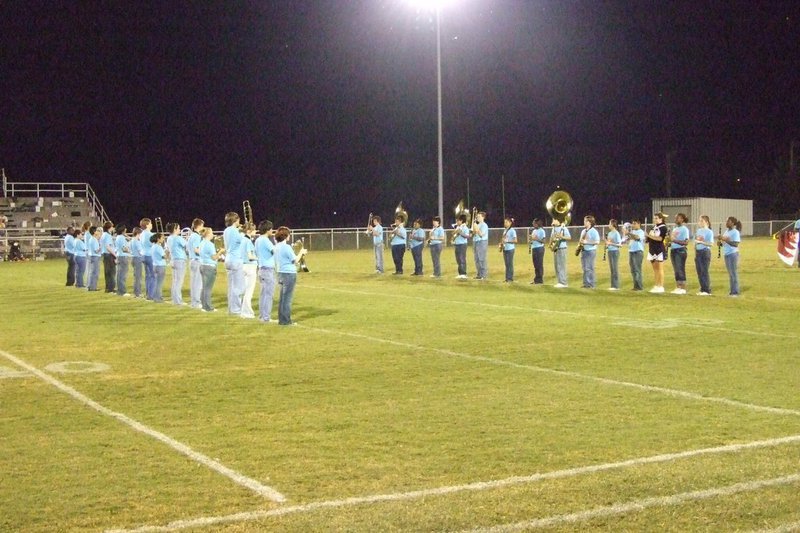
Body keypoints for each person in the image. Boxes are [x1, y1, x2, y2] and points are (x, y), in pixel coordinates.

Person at [275, 226, 307, 325]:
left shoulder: (276, 246)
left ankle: (281, 319)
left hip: (280, 272)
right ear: (286, 236)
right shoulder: (286, 247)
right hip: (289, 273)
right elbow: (295, 260)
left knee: (282, 298)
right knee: (287, 299)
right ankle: (286, 321)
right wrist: (301, 253)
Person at [223, 212, 245, 315]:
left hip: (228, 259)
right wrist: (245, 232)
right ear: (235, 220)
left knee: (231, 287)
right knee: (239, 287)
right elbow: (244, 241)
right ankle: (236, 309)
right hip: (236, 260)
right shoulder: (234, 231)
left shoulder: (226, 231)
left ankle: (231, 308)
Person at [198, 228, 223, 312]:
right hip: (209, 267)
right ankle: (208, 307)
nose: (213, 234)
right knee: (208, 288)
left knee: (204, 287)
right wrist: (220, 252)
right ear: (208, 234)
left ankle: (203, 305)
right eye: (212, 233)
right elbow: (214, 257)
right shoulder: (209, 244)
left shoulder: (201, 243)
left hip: (202, 265)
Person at [255, 220, 276, 323]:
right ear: (267, 230)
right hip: (268, 269)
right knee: (268, 294)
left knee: (263, 294)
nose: (272, 231)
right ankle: (266, 317)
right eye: (271, 229)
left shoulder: (258, 240)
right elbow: (275, 251)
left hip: (261, 268)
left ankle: (262, 316)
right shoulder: (265, 240)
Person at [166, 223, 188, 305]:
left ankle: (174, 299)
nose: (180, 229)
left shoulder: (169, 238)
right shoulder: (178, 238)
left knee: (175, 281)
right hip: (180, 260)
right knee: (179, 281)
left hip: (173, 260)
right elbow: (187, 245)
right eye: (178, 228)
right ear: (174, 229)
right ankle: (178, 301)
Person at [646, 212, 668, 293]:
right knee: (655, 269)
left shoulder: (663, 227)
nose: (654, 219)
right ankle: (656, 285)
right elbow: (650, 239)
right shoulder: (653, 227)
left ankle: (661, 286)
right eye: (654, 218)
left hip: (659, 250)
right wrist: (647, 238)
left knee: (660, 269)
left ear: (661, 219)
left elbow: (660, 239)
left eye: (656, 218)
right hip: (652, 249)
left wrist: (649, 236)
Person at [240, 222, 258, 319]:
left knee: (246, 290)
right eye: (254, 230)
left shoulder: (242, 239)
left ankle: (244, 311)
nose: (255, 231)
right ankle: (247, 312)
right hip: (250, 267)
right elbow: (250, 256)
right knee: (249, 291)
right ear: (248, 231)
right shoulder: (247, 241)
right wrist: (258, 258)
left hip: (243, 266)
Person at [719, 216, 741, 296]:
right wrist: (720, 243)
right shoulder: (726, 231)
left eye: (728, 221)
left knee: (733, 273)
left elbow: (735, 244)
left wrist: (725, 240)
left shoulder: (735, 232)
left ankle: (735, 292)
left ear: (732, 223)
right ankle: (732, 291)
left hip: (733, 254)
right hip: (727, 254)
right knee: (730, 273)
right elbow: (724, 243)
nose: (726, 223)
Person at [669, 213, 690, 294]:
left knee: (680, 269)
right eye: (675, 218)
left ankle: (683, 288)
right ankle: (678, 287)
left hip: (680, 251)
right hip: (673, 250)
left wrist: (674, 240)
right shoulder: (675, 229)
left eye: (678, 218)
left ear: (682, 219)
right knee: (676, 270)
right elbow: (673, 240)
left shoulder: (684, 229)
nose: (676, 219)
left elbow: (686, 242)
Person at [694, 215, 714, 296]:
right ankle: (702, 289)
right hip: (698, 252)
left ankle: (707, 290)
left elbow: (711, 244)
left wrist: (701, 242)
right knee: (699, 271)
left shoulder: (709, 232)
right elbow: (695, 241)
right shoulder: (698, 231)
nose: (700, 222)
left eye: (702, 221)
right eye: (699, 221)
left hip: (705, 252)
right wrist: (695, 249)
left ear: (706, 222)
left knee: (704, 271)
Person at [579, 215, 600, 289]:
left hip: (590, 251)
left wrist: (586, 242)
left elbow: (597, 242)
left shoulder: (594, 231)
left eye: (585, 221)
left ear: (589, 222)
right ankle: (586, 283)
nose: (584, 222)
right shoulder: (583, 231)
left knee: (590, 268)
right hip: (584, 251)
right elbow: (581, 241)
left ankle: (591, 284)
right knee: (584, 268)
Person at [626, 219, 645, 291]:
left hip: (638, 252)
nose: (633, 225)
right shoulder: (633, 231)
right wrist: (627, 234)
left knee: (637, 269)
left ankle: (639, 287)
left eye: (634, 223)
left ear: (639, 224)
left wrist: (629, 233)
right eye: (632, 223)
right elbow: (629, 238)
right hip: (631, 251)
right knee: (633, 270)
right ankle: (635, 286)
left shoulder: (641, 232)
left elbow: (637, 238)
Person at [551, 219, 571, 288]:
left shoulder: (563, 228)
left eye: (554, 220)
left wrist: (561, 237)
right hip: (556, 249)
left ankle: (563, 282)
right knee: (557, 266)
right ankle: (559, 281)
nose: (553, 221)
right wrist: (551, 244)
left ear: (559, 221)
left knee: (561, 265)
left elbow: (569, 237)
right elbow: (552, 237)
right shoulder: (553, 228)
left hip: (562, 248)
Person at [140, 218, 155, 300]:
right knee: (153, 276)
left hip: (143, 255)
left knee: (147, 276)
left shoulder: (142, 234)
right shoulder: (150, 234)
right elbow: (153, 245)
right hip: (149, 255)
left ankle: (148, 293)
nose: (151, 225)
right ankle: (151, 295)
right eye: (150, 223)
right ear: (147, 225)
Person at [114, 224, 131, 296]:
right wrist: (130, 251)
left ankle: (119, 290)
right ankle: (122, 291)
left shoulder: (118, 237)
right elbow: (124, 249)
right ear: (123, 230)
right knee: (123, 275)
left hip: (119, 256)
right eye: (125, 229)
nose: (126, 229)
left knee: (120, 274)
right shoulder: (121, 238)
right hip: (123, 257)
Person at [472, 211, 489, 279]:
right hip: (475, 242)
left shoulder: (484, 225)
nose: (477, 218)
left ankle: (483, 275)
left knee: (482, 259)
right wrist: (473, 229)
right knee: (477, 259)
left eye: (479, 217)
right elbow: (473, 234)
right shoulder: (477, 225)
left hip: (482, 242)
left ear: (483, 217)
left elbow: (481, 234)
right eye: (477, 217)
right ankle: (479, 274)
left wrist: (476, 228)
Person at [100, 221, 117, 293]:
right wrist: (115, 255)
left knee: (107, 272)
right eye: (112, 226)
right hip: (109, 255)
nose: (113, 228)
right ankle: (111, 288)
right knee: (112, 272)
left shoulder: (103, 235)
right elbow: (108, 247)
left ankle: (108, 287)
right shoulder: (107, 236)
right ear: (109, 227)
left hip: (105, 255)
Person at [605, 219, 622, 290]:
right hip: (610, 251)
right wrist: (607, 245)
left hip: (615, 252)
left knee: (615, 269)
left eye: (609, 224)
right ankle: (613, 285)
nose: (608, 225)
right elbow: (609, 243)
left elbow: (620, 245)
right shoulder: (609, 233)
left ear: (613, 225)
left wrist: (610, 243)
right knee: (612, 269)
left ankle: (616, 286)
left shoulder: (616, 233)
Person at [528, 218, 546, 285]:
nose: (533, 224)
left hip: (540, 249)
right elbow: (532, 239)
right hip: (534, 248)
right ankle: (536, 279)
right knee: (535, 265)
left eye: (534, 223)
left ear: (537, 224)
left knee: (539, 264)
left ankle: (540, 280)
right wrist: (530, 240)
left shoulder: (542, 231)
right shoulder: (534, 231)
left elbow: (543, 241)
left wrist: (536, 239)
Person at [500, 216, 517, 282]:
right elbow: (503, 239)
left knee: (510, 264)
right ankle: (507, 278)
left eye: (506, 222)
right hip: (505, 249)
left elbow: (515, 241)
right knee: (506, 264)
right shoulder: (505, 230)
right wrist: (501, 244)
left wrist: (507, 241)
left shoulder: (512, 230)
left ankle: (510, 278)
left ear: (510, 223)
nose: (505, 223)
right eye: (504, 222)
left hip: (510, 249)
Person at [453, 214, 469, 279]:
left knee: (462, 259)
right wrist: (454, 234)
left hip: (462, 245)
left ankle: (463, 273)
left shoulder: (465, 228)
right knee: (458, 260)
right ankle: (460, 273)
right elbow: (454, 234)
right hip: (457, 244)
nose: (457, 222)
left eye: (458, 221)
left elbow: (467, 236)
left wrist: (460, 233)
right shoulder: (458, 227)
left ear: (461, 221)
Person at [85, 226, 102, 291]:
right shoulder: (94, 239)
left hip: (91, 256)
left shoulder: (91, 239)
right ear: (95, 232)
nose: (98, 232)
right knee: (95, 273)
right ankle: (93, 287)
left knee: (91, 272)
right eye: (97, 230)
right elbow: (96, 250)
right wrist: (101, 247)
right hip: (95, 256)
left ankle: (89, 286)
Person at [130, 227, 144, 298]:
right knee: (138, 277)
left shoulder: (132, 240)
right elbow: (140, 251)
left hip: (133, 258)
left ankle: (136, 292)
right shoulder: (137, 241)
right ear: (138, 233)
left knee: (136, 276)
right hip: (137, 259)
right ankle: (137, 293)